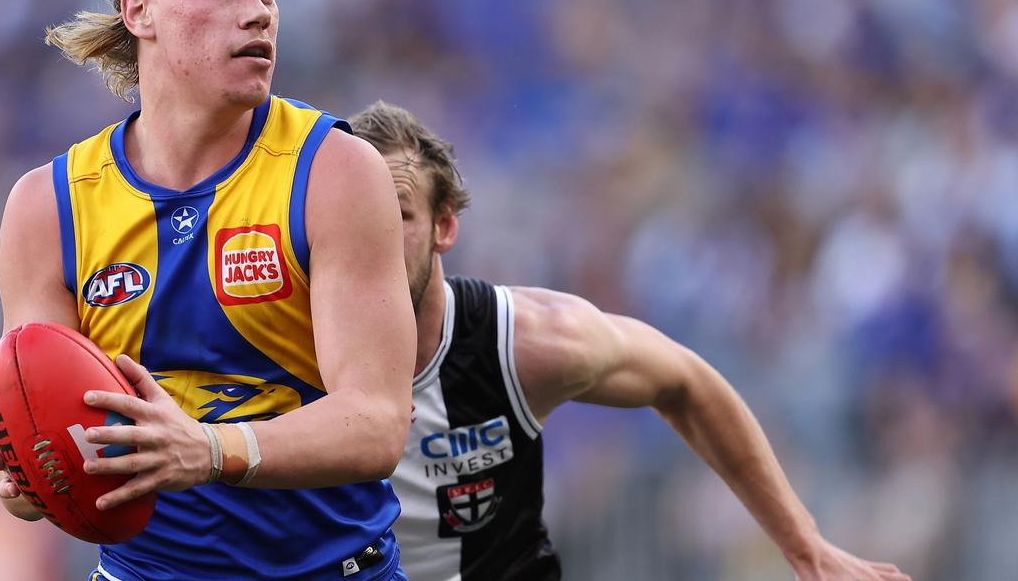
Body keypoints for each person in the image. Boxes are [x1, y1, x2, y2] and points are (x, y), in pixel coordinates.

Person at [0, 0, 416, 581]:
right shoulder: (47, 207)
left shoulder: (333, 170)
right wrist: (28, 475)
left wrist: (208, 449)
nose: (257, 11)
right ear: (138, 10)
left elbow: (379, 421)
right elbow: (58, 460)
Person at [349, 101, 911, 581]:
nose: (376, 235)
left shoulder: (528, 341)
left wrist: (804, 546)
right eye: (358, 215)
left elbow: (687, 383)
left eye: (399, 215)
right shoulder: (288, 346)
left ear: (445, 226)